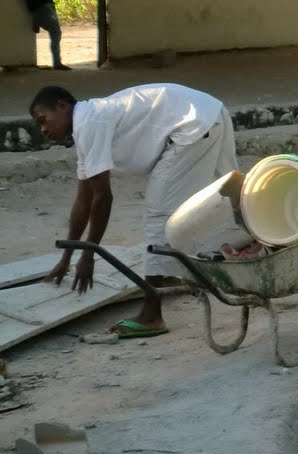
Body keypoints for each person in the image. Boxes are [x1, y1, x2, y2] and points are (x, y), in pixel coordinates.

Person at [30, 83, 237, 338]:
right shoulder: (88, 123)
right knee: (228, 191)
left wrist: (89, 255)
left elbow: (103, 198)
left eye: (43, 120)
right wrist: (67, 257)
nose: (43, 130)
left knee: (158, 213)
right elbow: (84, 199)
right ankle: (261, 244)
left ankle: (152, 315)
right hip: (209, 112)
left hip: (192, 123)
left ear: (62, 106)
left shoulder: (89, 122)